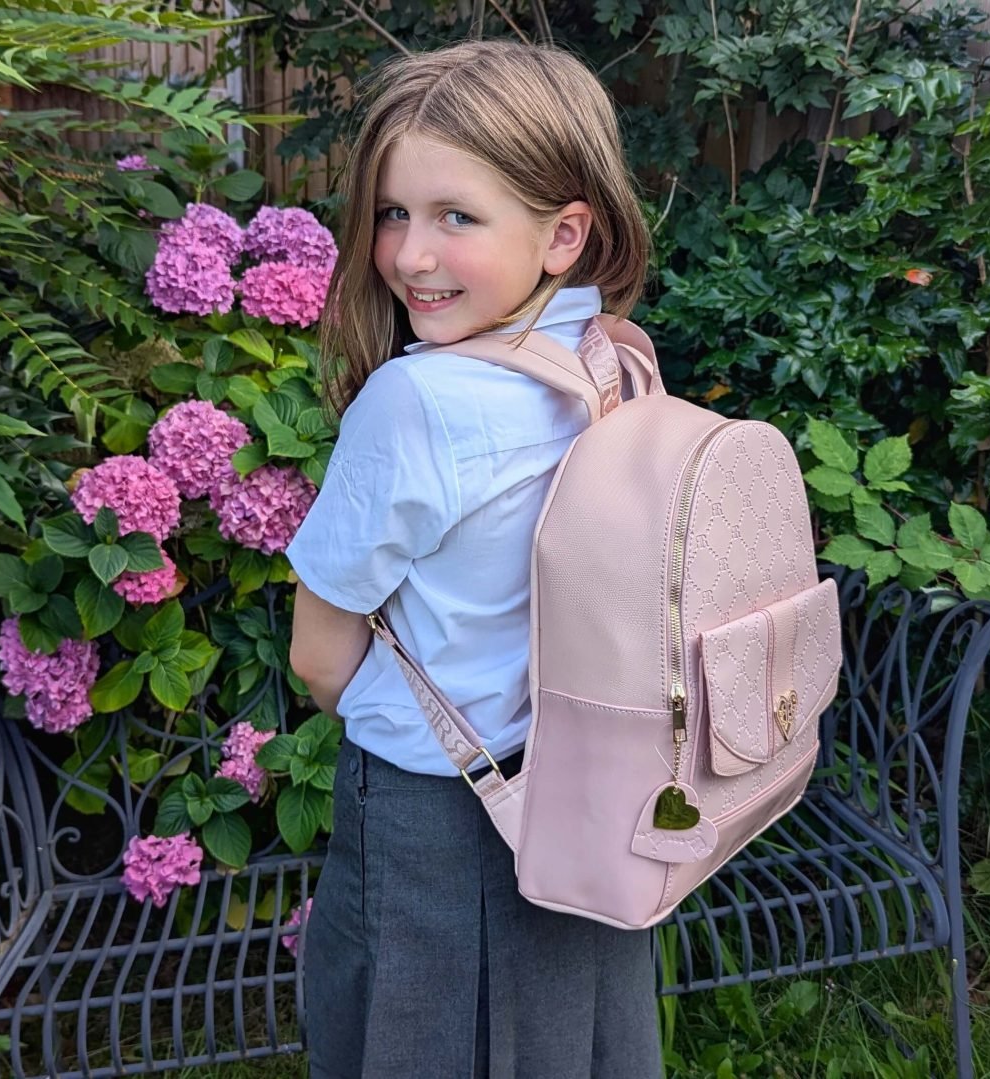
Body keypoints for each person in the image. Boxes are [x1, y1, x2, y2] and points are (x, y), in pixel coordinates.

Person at [284, 37, 662, 1079]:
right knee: (569, 1027)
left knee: (421, 1032)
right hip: (597, 779)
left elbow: (320, 657)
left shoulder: (418, 401)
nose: (408, 254)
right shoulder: (612, 354)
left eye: (457, 216)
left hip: (434, 806)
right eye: (395, 212)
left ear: (562, 233)